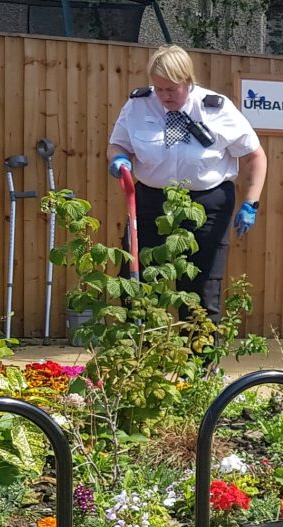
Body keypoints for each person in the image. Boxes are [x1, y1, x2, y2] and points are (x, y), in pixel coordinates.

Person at [106, 44, 267, 323]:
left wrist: (251, 203)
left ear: (188, 81)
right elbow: (118, 145)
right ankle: (140, 358)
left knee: (200, 289)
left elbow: (255, 155)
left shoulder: (216, 108)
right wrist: (120, 160)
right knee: (136, 283)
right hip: (151, 202)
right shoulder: (138, 105)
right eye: (159, 89)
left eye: (172, 89)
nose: (164, 96)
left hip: (205, 205)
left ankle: (199, 365)